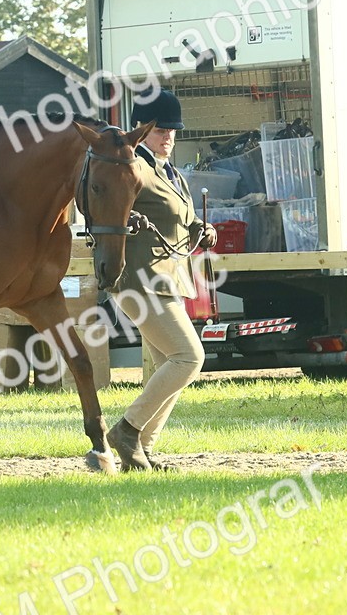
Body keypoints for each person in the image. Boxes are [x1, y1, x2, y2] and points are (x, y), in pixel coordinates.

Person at [107, 89, 217, 471]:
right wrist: (125, 220)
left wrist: (202, 228)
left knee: (170, 368)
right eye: (160, 131)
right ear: (141, 130)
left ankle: (140, 452)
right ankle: (127, 429)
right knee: (190, 358)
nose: (168, 136)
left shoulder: (171, 171)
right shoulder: (132, 165)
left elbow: (181, 217)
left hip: (168, 279)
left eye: (173, 130)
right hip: (142, 280)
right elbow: (107, 203)